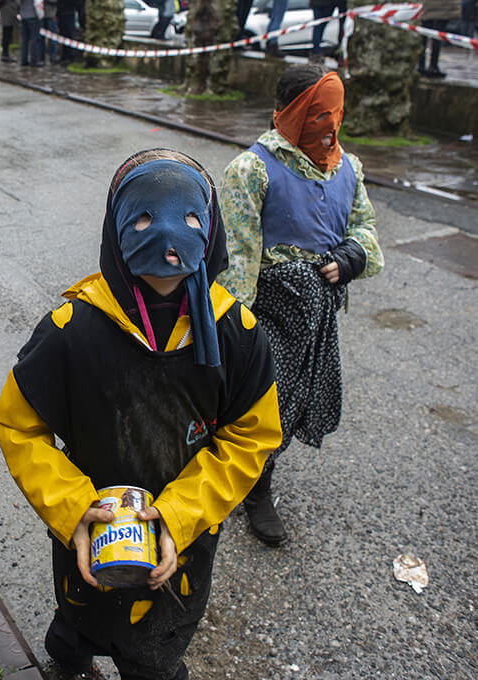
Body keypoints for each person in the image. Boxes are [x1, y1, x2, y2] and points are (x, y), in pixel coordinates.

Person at [0, 149, 282, 680]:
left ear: (210, 230)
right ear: (116, 227)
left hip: (181, 537)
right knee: (80, 614)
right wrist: (73, 509)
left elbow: (251, 438)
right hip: (91, 528)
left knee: (156, 650)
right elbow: (18, 425)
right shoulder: (71, 329)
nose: (168, 235)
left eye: (190, 219)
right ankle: (69, 657)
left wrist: (181, 514)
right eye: (145, 218)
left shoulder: (237, 332)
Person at [216, 63, 383, 546]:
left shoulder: (347, 168)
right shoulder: (251, 170)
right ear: (291, 114)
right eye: (317, 115)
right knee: (266, 402)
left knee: (295, 401)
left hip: (319, 313)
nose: (330, 126)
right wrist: (235, 329)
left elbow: (364, 228)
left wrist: (352, 256)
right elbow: (237, 258)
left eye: (336, 113)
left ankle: (246, 473)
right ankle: (254, 490)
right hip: (269, 308)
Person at [417, 0, 459, 78]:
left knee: (423, 39)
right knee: (437, 39)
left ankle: (421, 66)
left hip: (426, 10)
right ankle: (433, 67)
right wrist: (456, 10)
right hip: (443, 11)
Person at [19, 0, 44, 66]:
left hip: (23, 16)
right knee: (34, 39)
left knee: (24, 40)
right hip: (33, 16)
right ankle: (34, 60)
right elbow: (38, 3)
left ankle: (23, 60)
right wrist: (40, 15)